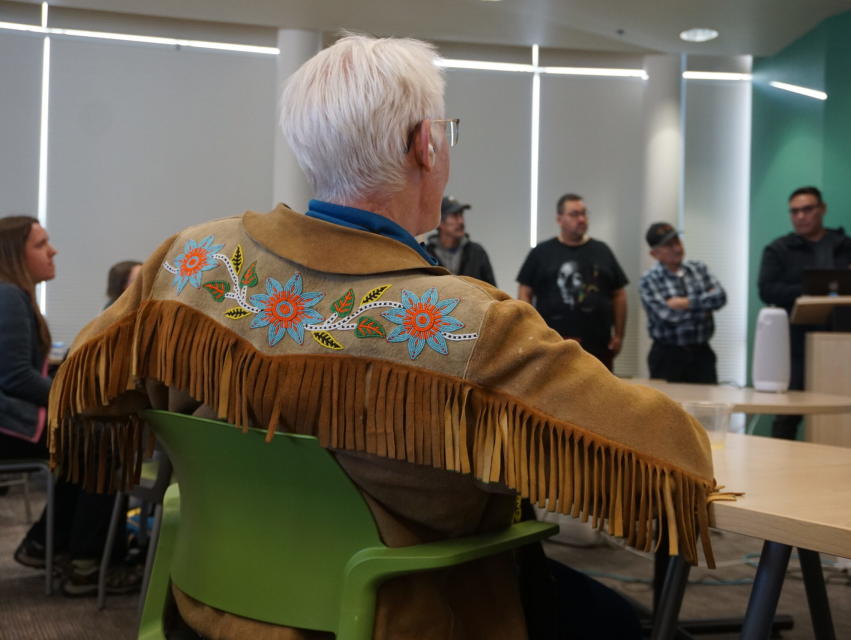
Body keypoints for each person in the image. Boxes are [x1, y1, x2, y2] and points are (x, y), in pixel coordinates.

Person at [49, 35, 717, 640]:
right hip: (397, 613)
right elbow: (666, 458)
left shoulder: (193, 261)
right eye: (445, 132)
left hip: (210, 605)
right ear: (425, 145)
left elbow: (83, 383)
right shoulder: (470, 321)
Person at [0, 216, 137, 596]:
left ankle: (46, 545)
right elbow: (14, 378)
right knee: (100, 442)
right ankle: (86, 566)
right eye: (41, 244)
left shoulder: (13, 295)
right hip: (8, 426)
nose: (53, 250)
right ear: (14, 254)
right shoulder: (9, 296)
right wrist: (77, 397)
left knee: (87, 438)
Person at [758, 186, 851, 440]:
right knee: (788, 413)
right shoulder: (779, 249)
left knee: (842, 410)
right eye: (795, 211)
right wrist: (812, 290)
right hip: (795, 343)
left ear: (822, 209)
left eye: (807, 209)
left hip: (844, 341)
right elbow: (767, 290)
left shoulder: (846, 246)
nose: (801, 216)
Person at [516, 194, 628, 371]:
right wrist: (530, 332)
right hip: (553, 346)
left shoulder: (602, 251)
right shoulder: (541, 253)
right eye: (574, 214)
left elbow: (619, 294)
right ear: (559, 219)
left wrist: (619, 335)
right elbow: (525, 293)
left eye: (584, 213)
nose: (582, 219)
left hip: (598, 347)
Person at [638, 222, 726, 383]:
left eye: (677, 241)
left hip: (701, 355)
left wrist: (685, 303)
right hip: (667, 357)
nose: (677, 248)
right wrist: (704, 309)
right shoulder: (649, 280)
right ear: (654, 253)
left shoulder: (699, 268)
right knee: (665, 407)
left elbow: (720, 297)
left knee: (704, 405)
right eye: (669, 245)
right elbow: (668, 316)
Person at [424, 196, 496, 285]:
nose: (461, 221)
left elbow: (494, 293)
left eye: (461, 215)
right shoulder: (426, 255)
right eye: (454, 216)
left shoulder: (477, 252)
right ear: (440, 222)